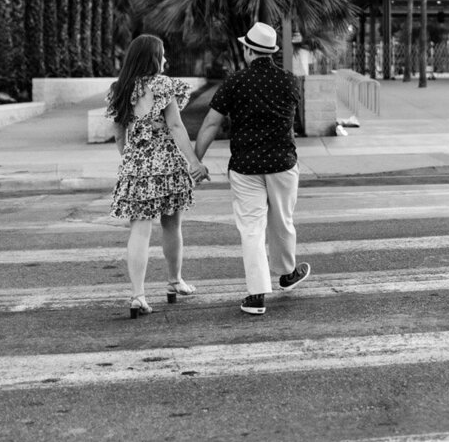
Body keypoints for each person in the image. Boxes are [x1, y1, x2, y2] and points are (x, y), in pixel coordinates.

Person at [194, 22, 310, 316]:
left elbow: (210, 123)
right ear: (269, 52)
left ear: (248, 50)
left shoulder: (234, 82)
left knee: (251, 230)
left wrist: (195, 161)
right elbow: (290, 125)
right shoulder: (289, 81)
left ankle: (256, 297)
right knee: (282, 221)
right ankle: (286, 275)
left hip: (245, 167)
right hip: (283, 164)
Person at [107, 35, 208, 319]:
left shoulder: (120, 88)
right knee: (172, 225)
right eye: (162, 54)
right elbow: (175, 126)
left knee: (139, 230)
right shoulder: (163, 84)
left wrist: (131, 161)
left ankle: (138, 295)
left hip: (135, 168)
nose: (165, 59)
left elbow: (118, 134)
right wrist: (194, 162)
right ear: (153, 57)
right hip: (167, 167)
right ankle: (175, 282)